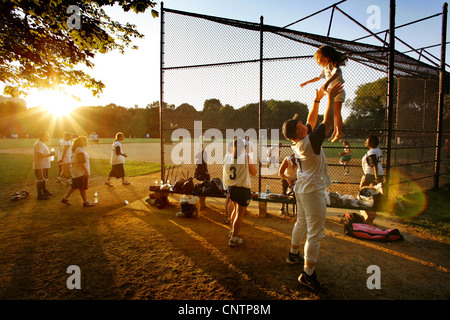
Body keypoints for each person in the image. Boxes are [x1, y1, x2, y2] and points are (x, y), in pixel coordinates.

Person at [282, 82, 343, 292]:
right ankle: (308, 275)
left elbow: (311, 121)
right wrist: (331, 98)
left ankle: (293, 253)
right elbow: (326, 122)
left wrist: (317, 100)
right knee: (316, 233)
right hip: (313, 191)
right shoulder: (310, 142)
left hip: (302, 188)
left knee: (301, 223)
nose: (304, 125)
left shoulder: (297, 141)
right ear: (299, 131)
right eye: (300, 125)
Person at [300, 45, 347, 143]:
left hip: (338, 90)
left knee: (337, 112)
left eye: (318, 59)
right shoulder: (325, 68)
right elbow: (318, 77)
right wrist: (307, 82)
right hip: (332, 92)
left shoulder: (333, 65)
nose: (318, 62)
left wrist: (326, 83)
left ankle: (339, 132)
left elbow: (337, 72)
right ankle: (335, 132)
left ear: (326, 57)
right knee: (334, 112)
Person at [222, 138, 257, 247]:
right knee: (240, 214)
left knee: (235, 209)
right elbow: (254, 172)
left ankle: (232, 231)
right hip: (243, 189)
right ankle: (233, 238)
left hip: (232, 188)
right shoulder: (246, 157)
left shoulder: (227, 156)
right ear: (244, 148)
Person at [61, 136, 95, 207]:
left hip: (76, 171)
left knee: (75, 186)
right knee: (82, 187)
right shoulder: (79, 150)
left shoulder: (78, 149)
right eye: (85, 141)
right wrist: (86, 171)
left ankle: (65, 198)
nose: (87, 142)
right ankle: (85, 202)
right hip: (80, 172)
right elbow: (81, 162)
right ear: (81, 142)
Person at [359, 135, 384, 225]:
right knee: (374, 194)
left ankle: (367, 215)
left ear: (372, 143)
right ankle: (371, 216)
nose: (365, 142)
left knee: (362, 191)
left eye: (367, 140)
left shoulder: (371, 152)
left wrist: (376, 176)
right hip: (379, 173)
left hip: (371, 174)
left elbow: (374, 164)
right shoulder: (378, 150)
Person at [33, 131, 55, 200]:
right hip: (40, 165)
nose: (48, 137)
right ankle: (40, 195)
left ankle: (44, 191)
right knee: (40, 180)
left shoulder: (41, 143)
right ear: (43, 136)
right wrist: (50, 154)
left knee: (43, 179)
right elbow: (39, 155)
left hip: (43, 165)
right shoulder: (39, 144)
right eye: (47, 136)